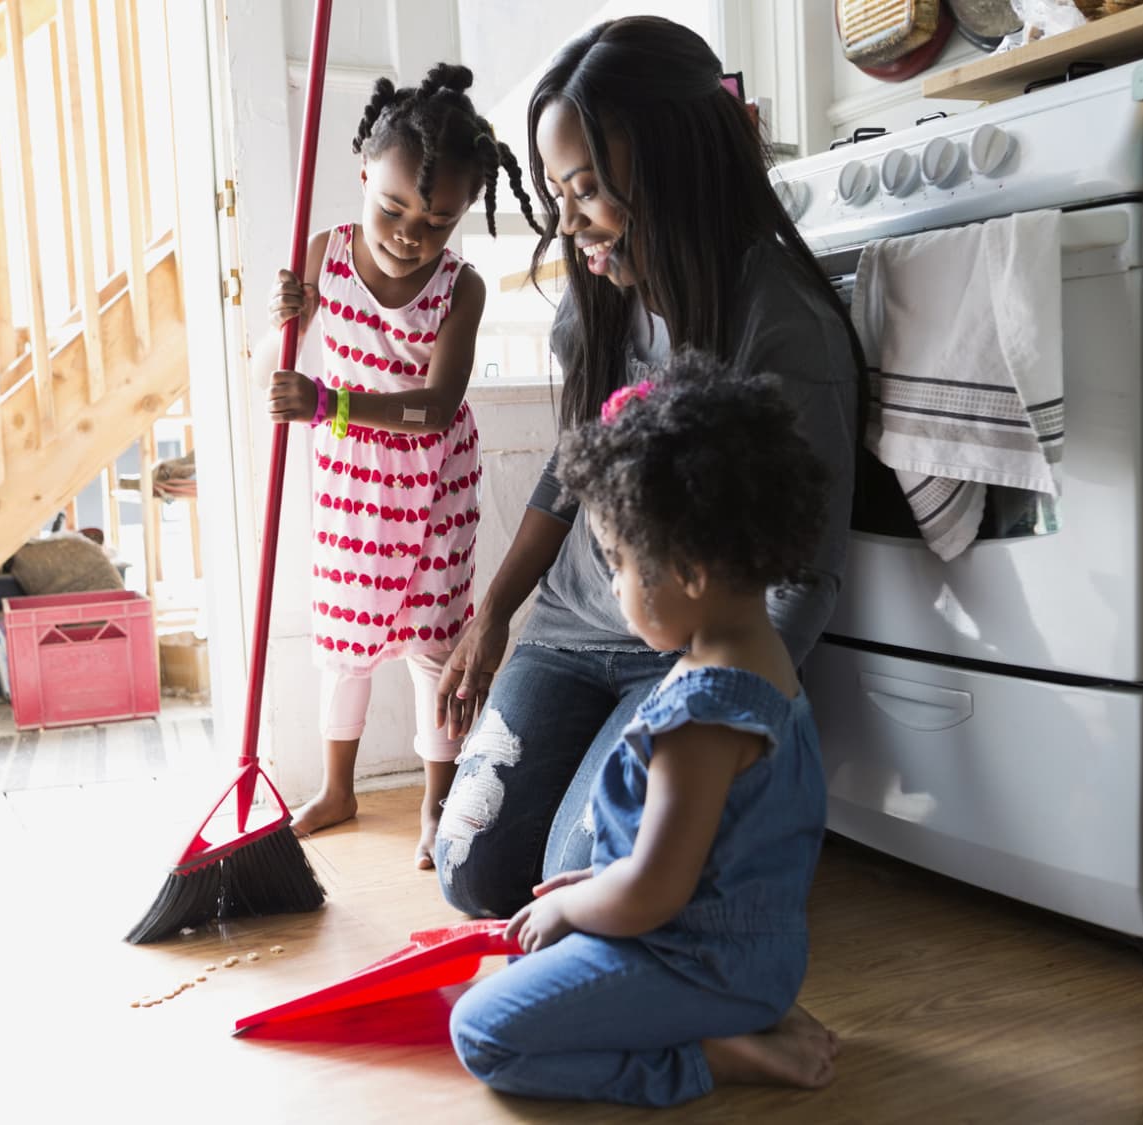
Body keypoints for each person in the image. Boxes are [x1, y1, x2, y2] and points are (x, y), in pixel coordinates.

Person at [432, 16, 861, 917]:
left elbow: (803, 576)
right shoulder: (600, 303)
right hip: (569, 634)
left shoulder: (781, 330)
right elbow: (569, 471)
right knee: (471, 867)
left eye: (588, 190)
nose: (570, 222)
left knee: (583, 877)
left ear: (675, 166)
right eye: (557, 193)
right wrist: (495, 613)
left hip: (687, 650)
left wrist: (716, 717)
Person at [449, 356, 841, 1106]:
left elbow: (655, 893)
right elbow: (714, 853)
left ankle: (711, 1056)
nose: (617, 589)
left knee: (483, 1030)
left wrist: (576, 903)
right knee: (536, 953)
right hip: (757, 956)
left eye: (621, 564)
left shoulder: (699, 713)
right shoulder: (767, 667)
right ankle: (748, 1017)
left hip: (699, 964)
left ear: (689, 571)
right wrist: (595, 883)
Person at [266, 63, 540, 866]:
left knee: (431, 644)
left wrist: (330, 404)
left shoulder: (463, 289)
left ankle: (435, 801)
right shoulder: (325, 255)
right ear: (362, 178)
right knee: (346, 641)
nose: (409, 234)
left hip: (431, 488)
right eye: (391, 207)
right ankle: (338, 786)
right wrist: (286, 321)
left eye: (437, 219)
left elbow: (438, 405)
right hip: (351, 488)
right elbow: (269, 369)